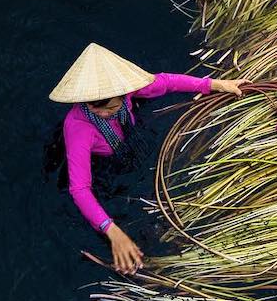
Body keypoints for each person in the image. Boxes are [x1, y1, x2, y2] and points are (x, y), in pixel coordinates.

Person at [50, 43, 243, 274]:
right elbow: (80, 188)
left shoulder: (128, 90)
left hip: (132, 140)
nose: (102, 113)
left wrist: (214, 84)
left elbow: (166, 82)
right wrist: (111, 230)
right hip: (108, 164)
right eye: (94, 109)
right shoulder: (78, 128)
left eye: (110, 108)